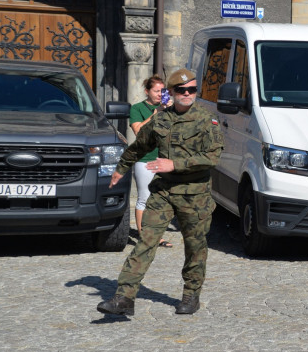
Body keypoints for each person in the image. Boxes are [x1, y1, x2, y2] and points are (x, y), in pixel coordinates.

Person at [96, 69, 224, 316]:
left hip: (194, 195)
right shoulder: (161, 119)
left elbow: (213, 156)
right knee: (146, 241)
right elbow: (140, 146)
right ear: (172, 93)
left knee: (194, 246)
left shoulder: (208, 120)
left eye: (192, 90)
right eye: (181, 90)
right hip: (163, 191)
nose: (187, 94)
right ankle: (124, 298)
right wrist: (120, 168)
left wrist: (175, 164)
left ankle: (190, 295)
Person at [128, 74, 172, 247]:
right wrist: (156, 113)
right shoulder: (137, 108)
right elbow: (139, 131)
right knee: (145, 198)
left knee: (162, 199)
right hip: (146, 159)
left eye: (163, 91)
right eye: (156, 91)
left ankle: (156, 235)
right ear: (147, 92)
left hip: (165, 160)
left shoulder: (169, 108)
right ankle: (143, 235)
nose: (160, 94)